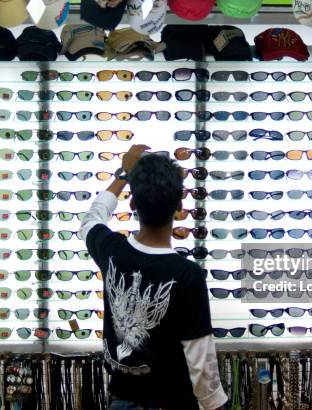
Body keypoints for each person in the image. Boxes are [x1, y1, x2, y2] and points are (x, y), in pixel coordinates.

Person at [78, 144, 228, 410]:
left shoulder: (112, 251)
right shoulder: (187, 275)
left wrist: (124, 174)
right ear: (179, 207)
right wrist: (214, 405)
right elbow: (200, 359)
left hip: (122, 401)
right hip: (172, 402)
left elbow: (93, 217)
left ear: (133, 203)